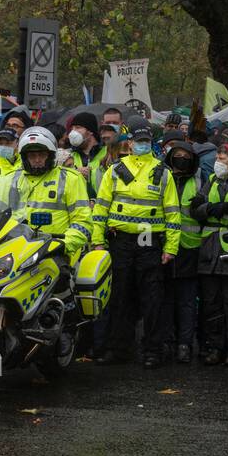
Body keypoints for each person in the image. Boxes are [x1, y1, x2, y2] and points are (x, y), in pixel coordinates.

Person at [91, 119, 179, 366]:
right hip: (121, 240)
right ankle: (118, 348)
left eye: (146, 141)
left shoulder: (162, 172)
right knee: (119, 296)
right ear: (129, 143)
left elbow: (173, 212)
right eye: (138, 141)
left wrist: (171, 247)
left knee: (152, 299)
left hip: (149, 241)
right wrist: (98, 241)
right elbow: (100, 209)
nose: (142, 145)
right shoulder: (115, 170)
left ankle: (152, 351)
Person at [190, 142, 228, 365]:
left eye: (223, 157)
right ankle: (215, 347)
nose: (218, 160)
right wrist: (207, 208)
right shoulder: (211, 181)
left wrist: (224, 207)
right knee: (211, 303)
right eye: (217, 156)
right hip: (209, 251)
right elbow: (195, 208)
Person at [159, 140, 202, 366]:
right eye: (178, 155)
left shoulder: (198, 179)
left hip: (189, 248)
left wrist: (202, 206)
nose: (182, 159)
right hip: (165, 246)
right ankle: (167, 341)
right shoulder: (162, 177)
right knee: (165, 299)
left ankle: (185, 344)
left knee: (186, 301)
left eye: (186, 156)